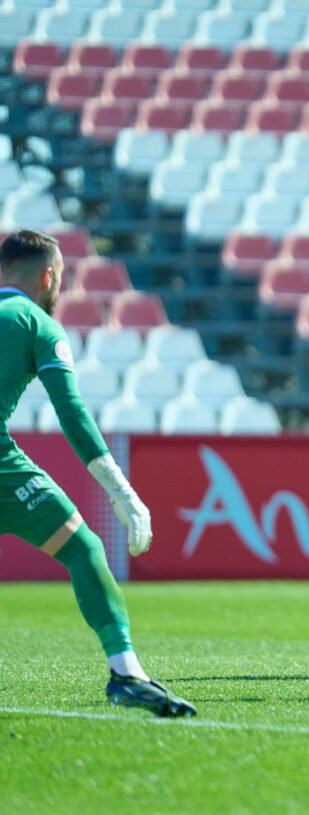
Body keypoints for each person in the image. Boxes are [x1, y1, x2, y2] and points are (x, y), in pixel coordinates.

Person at [0, 230, 195, 717]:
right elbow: (72, 413)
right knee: (83, 548)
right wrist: (122, 492)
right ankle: (127, 674)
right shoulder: (35, 322)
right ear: (48, 276)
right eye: (61, 277)